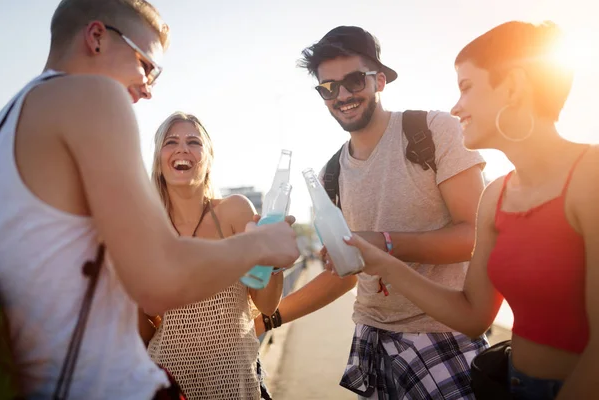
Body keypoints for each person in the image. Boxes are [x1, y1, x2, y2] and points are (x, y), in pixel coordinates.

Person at [0, 0, 298, 398]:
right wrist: (264, 243)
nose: (147, 88)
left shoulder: (11, 118)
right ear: (97, 38)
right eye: (146, 65)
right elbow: (160, 278)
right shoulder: (91, 96)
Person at [342, 20, 598, 400]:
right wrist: (380, 259)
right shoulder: (496, 195)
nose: (455, 106)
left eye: (466, 87)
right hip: (511, 385)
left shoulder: (589, 177)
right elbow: (474, 315)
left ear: (512, 87)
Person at [256, 26, 488, 399]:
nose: (342, 95)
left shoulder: (432, 131)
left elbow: (474, 237)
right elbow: (347, 274)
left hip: (442, 334)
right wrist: (266, 319)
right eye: (328, 87)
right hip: (370, 338)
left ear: (379, 80)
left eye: (353, 81)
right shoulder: (332, 173)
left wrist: (383, 244)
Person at [139, 111, 283, 400]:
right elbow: (143, 327)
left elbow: (266, 306)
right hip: (168, 381)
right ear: (158, 160)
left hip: (236, 379)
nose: (183, 148)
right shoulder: (144, 228)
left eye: (194, 141)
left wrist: (274, 258)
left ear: (207, 159)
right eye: (171, 142)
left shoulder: (233, 211)